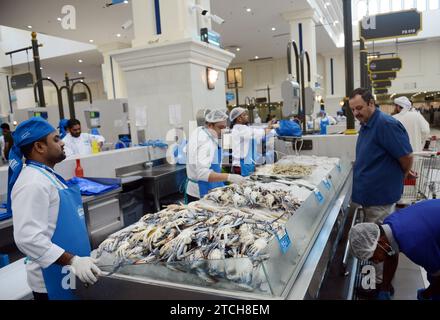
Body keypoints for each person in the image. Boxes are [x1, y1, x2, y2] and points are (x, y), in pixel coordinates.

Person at [8, 117, 101, 300]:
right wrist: (73, 260)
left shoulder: (48, 176)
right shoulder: (32, 183)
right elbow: (28, 238)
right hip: (51, 283)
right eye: (56, 139)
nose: (62, 143)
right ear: (39, 147)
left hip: (69, 276)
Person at [349, 200, 440, 300]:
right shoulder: (390, 224)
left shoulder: (414, 246)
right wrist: (385, 288)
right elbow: (391, 254)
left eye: (372, 258)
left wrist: (426, 294)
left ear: (380, 243)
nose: (375, 261)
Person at [186, 110, 245, 202]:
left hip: (208, 187)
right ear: (210, 125)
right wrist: (229, 177)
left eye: (225, 127)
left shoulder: (202, 132)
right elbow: (202, 173)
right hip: (201, 191)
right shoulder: (205, 142)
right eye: (220, 127)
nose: (223, 131)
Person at [229, 107, 276, 176]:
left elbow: (256, 130)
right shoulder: (241, 130)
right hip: (242, 165)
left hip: (246, 163)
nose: (247, 116)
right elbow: (259, 132)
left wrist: (268, 127)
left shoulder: (240, 128)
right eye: (244, 115)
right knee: (244, 184)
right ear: (239, 118)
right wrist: (272, 127)